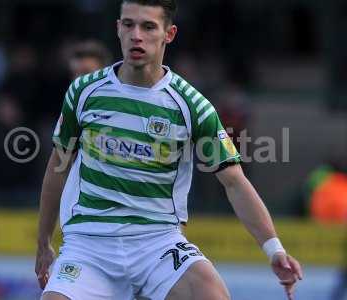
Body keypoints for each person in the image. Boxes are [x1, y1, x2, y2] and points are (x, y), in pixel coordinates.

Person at [35, 1, 303, 299]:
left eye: (148, 27)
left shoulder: (191, 105)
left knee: (212, 294)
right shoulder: (84, 91)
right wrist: (43, 242)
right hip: (90, 244)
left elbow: (235, 183)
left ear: (169, 34)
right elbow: (57, 167)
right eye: (128, 24)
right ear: (118, 28)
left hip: (157, 244)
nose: (136, 35)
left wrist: (274, 249)